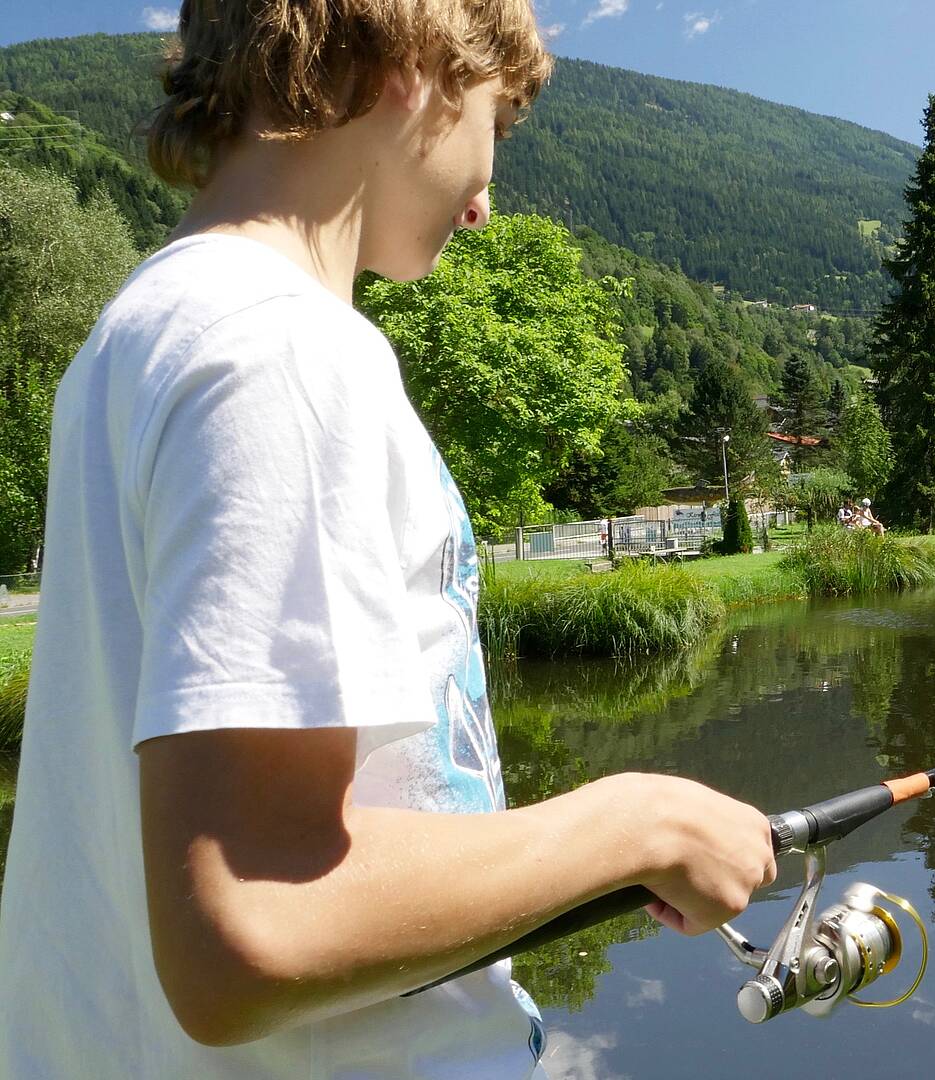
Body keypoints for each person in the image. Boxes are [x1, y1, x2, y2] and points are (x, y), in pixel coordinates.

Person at [0, 4, 776, 1075]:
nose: (488, 203)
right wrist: (638, 826)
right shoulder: (283, 352)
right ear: (414, 63)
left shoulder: (131, 339)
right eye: (496, 127)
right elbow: (252, 928)